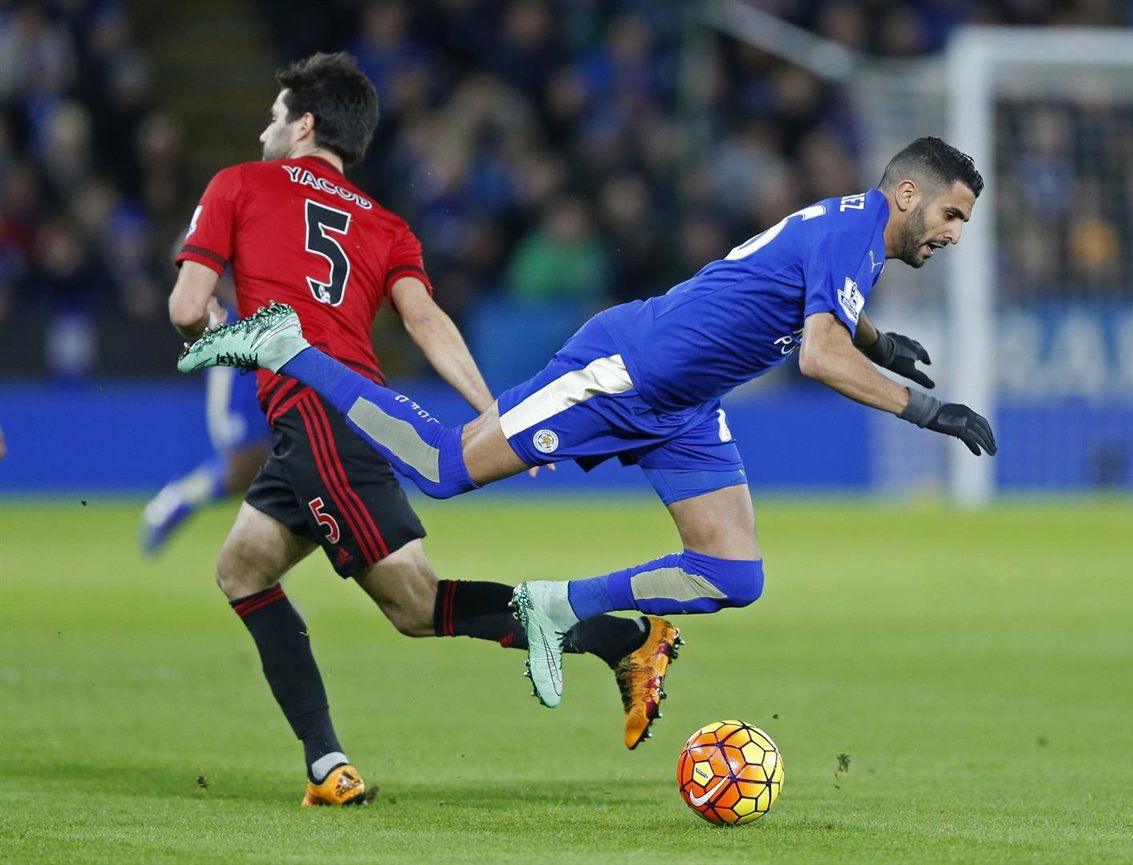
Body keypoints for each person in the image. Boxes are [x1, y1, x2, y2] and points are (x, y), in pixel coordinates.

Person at [179, 135, 997, 711]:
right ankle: (288, 346)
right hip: (621, 372)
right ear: (908, 194)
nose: (955, 234)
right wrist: (929, 409)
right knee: (442, 468)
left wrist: (880, 342)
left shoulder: (855, 233)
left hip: (681, 407)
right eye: (952, 215)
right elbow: (818, 355)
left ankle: (555, 604)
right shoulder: (855, 232)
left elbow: (823, 309)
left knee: (733, 572)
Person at [166, 52, 681, 807]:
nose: (263, 130)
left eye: (274, 117)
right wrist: (493, 411)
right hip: (354, 411)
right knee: (242, 569)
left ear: (305, 125)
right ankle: (327, 767)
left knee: (414, 605)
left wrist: (211, 322)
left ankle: (623, 641)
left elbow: (187, 308)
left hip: (314, 414)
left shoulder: (237, 184)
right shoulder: (386, 226)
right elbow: (426, 320)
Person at [140, 293, 273, 555]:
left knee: (284, 457)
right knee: (244, 465)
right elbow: (193, 274)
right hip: (241, 339)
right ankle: (180, 498)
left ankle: (271, 566)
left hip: (285, 336)